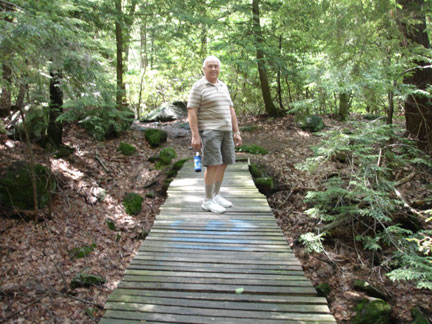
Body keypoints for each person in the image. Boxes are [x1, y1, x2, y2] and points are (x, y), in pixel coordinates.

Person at [187, 56, 242, 213]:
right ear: (204, 69)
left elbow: (231, 110)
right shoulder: (198, 87)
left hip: (226, 130)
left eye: (216, 66)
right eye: (210, 66)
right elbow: (191, 111)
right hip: (210, 131)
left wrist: (236, 131)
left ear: (219, 69)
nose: (213, 69)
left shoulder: (223, 86)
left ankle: (216, 195)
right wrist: (195, 135)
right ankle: (207, 200)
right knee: (212, 164)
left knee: (223, 163)